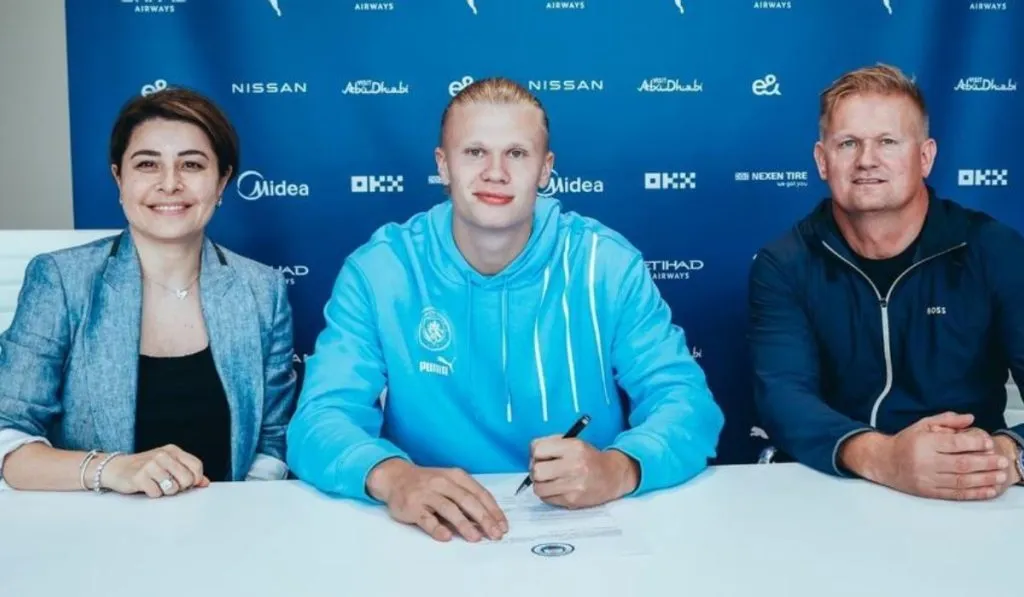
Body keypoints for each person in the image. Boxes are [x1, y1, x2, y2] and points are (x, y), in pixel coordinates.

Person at [287, 77, 723, 542]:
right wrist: (395, 477)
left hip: (585, 526)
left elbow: (688, 404)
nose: (495, 172)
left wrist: (618, 469)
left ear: (545, 169)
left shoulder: (606, 265)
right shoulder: (381, 270)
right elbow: (320, 418)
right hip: (432, 533)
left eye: (517, 153)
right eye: (475, 152)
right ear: (443, 165)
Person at [0, 87, 297, 497]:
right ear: (119, 178)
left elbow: (273, 438)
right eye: (147, 164)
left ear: (222, 181)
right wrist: (112, 469)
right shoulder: (62, 280)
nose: (170, 184)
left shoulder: (262, 290)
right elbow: (9, 440)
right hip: (93, 535)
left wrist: (237, 510)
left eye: (191, 164)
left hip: (227, 536)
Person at [749, 63, 1024, 501]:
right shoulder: (784, 263)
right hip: (831, 489)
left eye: (888, 142)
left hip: (970, 487)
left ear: (926, 157)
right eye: (848, 143)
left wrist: (1007, 457)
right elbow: (784, 401)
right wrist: (885, 457)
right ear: (822, 161)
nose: (867, 160)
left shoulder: (995, 250)